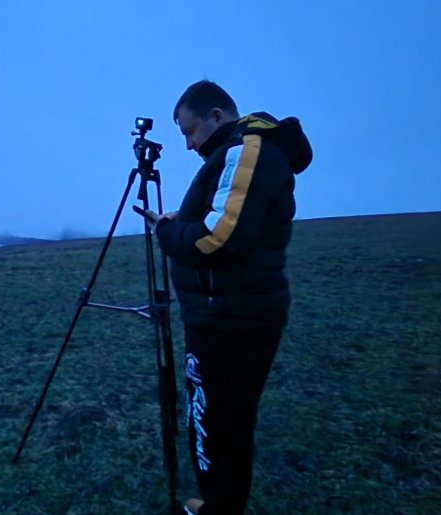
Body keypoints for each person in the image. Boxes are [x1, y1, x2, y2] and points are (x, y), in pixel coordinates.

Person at [141, 80, 312, 515]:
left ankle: (219, 508)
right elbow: (227, 219)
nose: (188, 144)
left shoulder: (247, 149)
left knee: (220, 422)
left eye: (189, 131)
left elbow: (219, 238)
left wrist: (167, 231)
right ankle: (220, 503)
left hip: (232, 319)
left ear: (216, 115)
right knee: (222, 419)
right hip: (227, 313)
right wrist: (184, 220)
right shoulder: (239, 152)